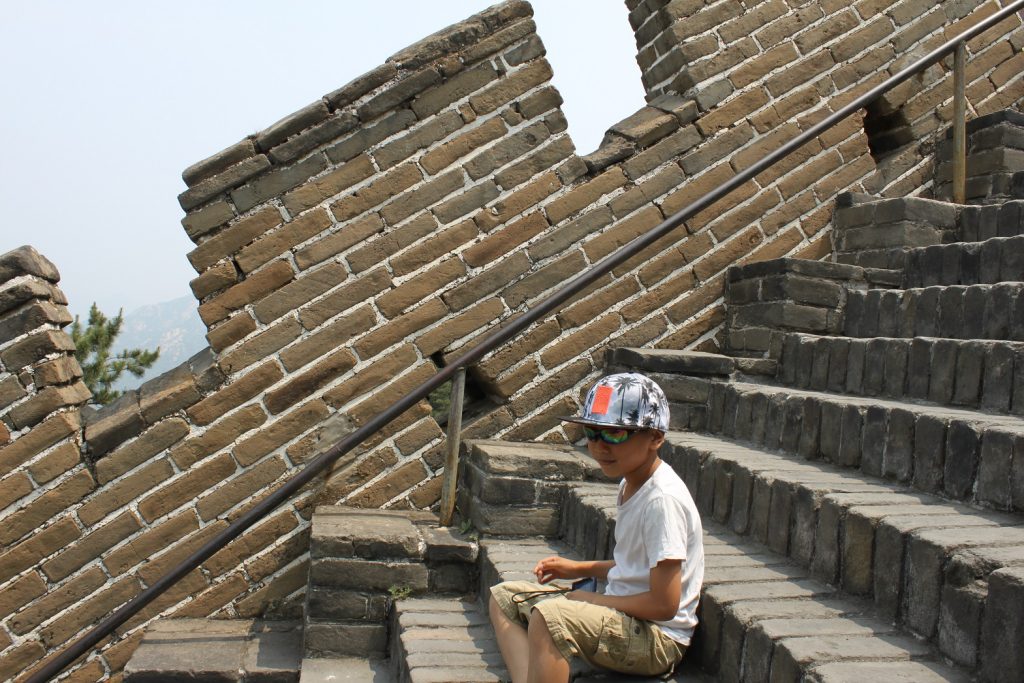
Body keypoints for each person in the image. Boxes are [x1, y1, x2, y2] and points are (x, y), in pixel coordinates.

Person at [488, 372, 704, 683]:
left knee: (551, 617)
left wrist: (593, 600)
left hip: (657, 638)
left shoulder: (662, 501)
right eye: (592, 432)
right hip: (624, 614)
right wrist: (578, 568)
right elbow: (636, 567)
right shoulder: (631, 482)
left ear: (655, 438)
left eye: (615, 434)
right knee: (504, 598)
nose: (600, 446)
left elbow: (664, 604)